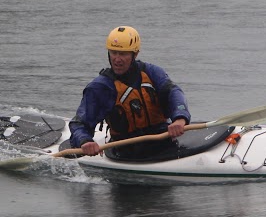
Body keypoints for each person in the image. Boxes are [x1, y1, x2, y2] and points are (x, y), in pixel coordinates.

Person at [69, 26, 191, 159]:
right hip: (126, 150)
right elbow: (79, 124)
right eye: (113, 53)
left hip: (163, 140)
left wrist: (180, 118)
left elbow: (174, 93)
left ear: (135, 54)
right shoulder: (101, 87)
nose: (117, 59)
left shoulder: (152, 72)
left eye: (123, 54)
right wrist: (85, 141)